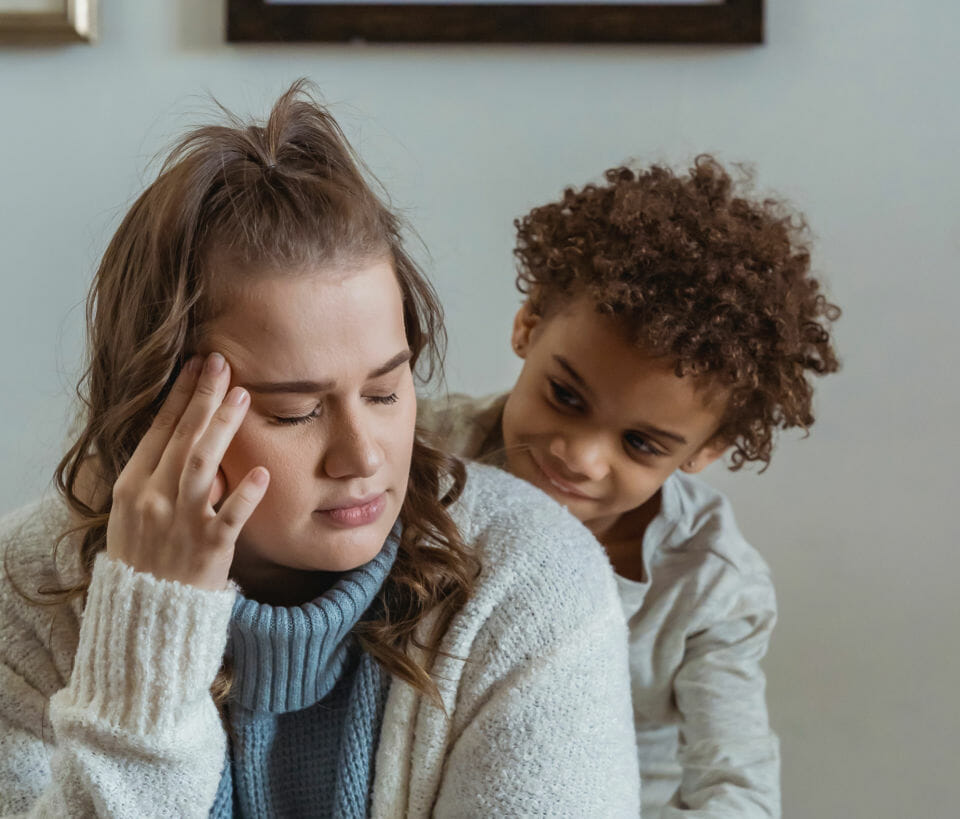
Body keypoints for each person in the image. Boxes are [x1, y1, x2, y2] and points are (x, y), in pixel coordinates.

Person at [0, 81, 640, 817]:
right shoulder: (25, 593)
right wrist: (152, 631)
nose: (362, 457)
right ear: (156, 411)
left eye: (385, 392)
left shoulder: (532, 585)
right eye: (295, 410)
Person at [420, 158, 842, 817]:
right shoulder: (421, 452)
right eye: (564, 396)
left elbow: (736, 791)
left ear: (704, 451)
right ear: (528, 326)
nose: (581, 457)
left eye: (640, 443)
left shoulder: (712, 584)